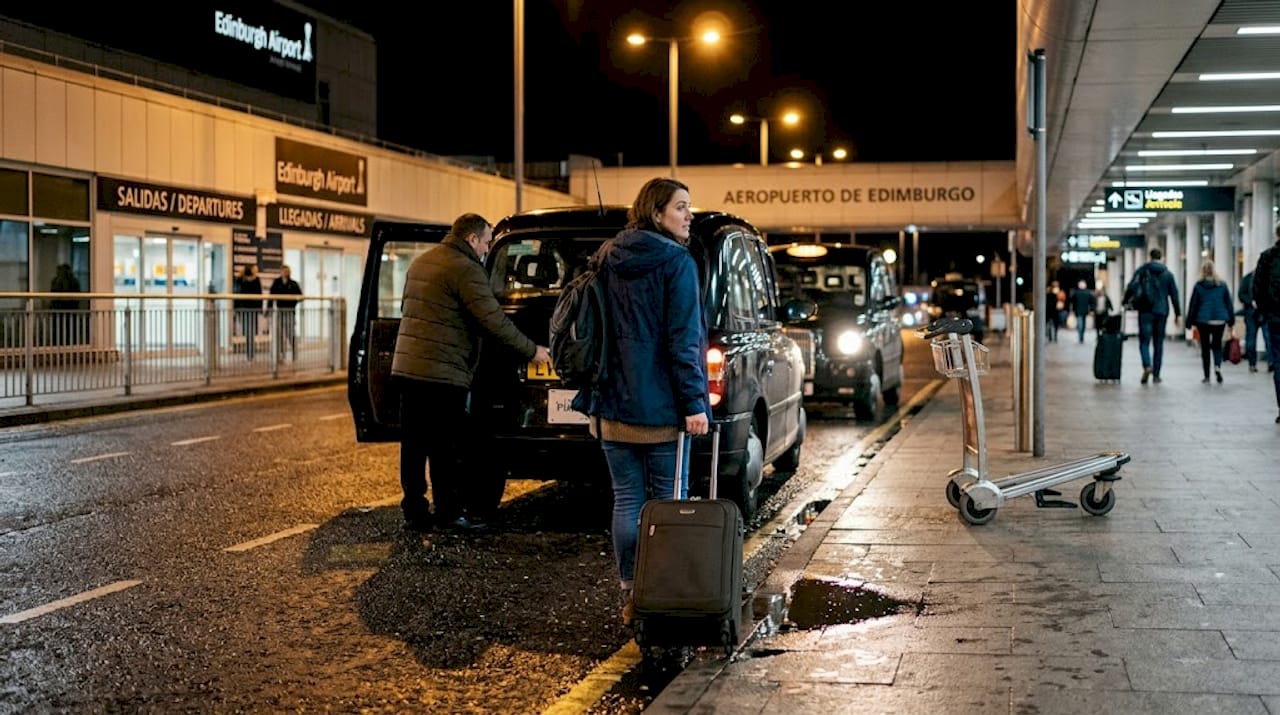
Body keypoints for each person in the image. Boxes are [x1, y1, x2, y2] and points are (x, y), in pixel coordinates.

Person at [570, 177, 711, 627]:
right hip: (664, 410)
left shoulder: (607, 256)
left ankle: (631, 593)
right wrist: (695, 404)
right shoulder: (677, 263)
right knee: (668, 504)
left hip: (611, 402)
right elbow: (683, 342)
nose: (689, 215)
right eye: (681, 207)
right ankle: (663, 592)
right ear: (656, 213)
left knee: (627, 501)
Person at [391, 213, 552, 533]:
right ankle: (449, 513)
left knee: (413, 444)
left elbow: (408, 310)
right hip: (442, 371)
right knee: (444, 448)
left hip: (408, 367)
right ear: (472, 239)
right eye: (487, 241)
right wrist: (533, 351)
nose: (487, 248)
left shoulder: (422, 262)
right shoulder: (465, 268)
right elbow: (493, 320)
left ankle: (415, 511)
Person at [1123, 247, 1181, 384]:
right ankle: (1156, 374)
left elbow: (1131, 287)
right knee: (1158, 343)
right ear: (1161, 257)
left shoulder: (1142, 270)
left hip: (1145, 310)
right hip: (1161, 311)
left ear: (1149, 257)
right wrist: (1177, 314)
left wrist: (1125, 302)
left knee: (1144, 341)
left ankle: (1147, 365)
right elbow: (1174, 296)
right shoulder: (1168, 274)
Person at [1185, 259, 1234, 384]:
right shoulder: (1222, 285)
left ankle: (1206, 376)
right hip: (1219, 319)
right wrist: (1231, 320)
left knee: (1205, 348)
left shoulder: (1199, 286)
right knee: (1217, 345)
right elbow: (1228, 303)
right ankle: (1217, 367)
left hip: (1203, 320)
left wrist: (1189, 322)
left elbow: (1193, 305)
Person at [1253, 225, 1280, 423]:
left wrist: (1265, 311)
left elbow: (1257, 289)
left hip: (1275, 318)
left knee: (1278, 362)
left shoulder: (1267, 257)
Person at [1239, 269, 1274, 374]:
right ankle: (1266, 362)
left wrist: (1251, 302)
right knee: (1262, 338)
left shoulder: (1248, 278)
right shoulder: (1267, 279)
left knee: (1256, 338)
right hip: (1259, 313)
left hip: (1257, 313)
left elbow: (1241, 294)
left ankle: (1254, 364)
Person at [269, 265, 304, 362]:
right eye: (284, 271)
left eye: (287, 271)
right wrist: (269, 309)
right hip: (279, 312)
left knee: (291, 334)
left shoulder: (293, 284)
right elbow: (271, 296)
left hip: (289, 312)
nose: (285, 273)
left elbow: (300, 296)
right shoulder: (276, 283)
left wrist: (293, 303)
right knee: (279, 335)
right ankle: (280, 355)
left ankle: (294, 355)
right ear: (280, 272)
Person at [233, 264, 263, 360]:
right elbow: (236, 294)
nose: (256, 271)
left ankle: (250, 354)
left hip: (251, 309)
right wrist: (235, 309)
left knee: (250, 332)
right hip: (244, 309)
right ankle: (250, 353)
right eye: (254, 269)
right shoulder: (239, 279)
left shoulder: (255, 280)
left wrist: (260, 308)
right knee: (248, 332)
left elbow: (259, 294)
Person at [1070, 279, 1092, 343]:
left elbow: (1091, 301)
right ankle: (1081, 337)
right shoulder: (1077, 293)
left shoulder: (1087, 293)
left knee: (1082, 324)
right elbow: (1073, 302)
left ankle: (1081, 337)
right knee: (1080, 324)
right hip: (1079, 311)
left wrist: (1091, 309)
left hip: (1083, 311)